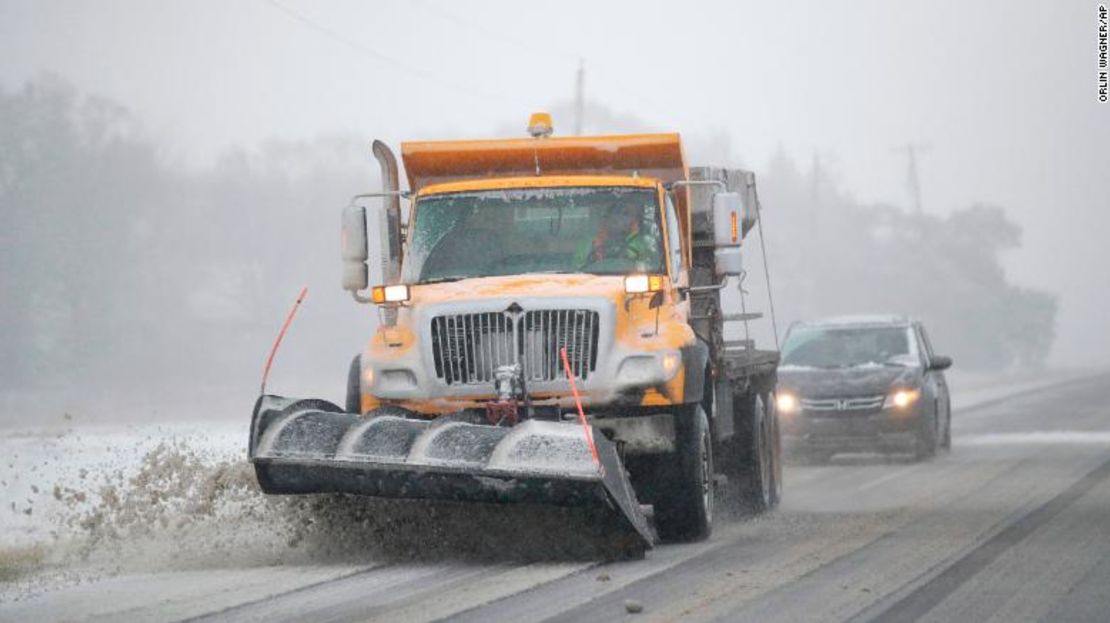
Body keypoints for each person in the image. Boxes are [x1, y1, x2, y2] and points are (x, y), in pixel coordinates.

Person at [574, 201, 656, 269]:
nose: (618, 217)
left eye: (626, 214)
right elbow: (577, 270)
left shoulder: (642, 243)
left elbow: (644, 267)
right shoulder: (588, 242)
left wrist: (633, 236)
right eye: (616, 212)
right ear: (608, 216)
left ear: (634, 220)